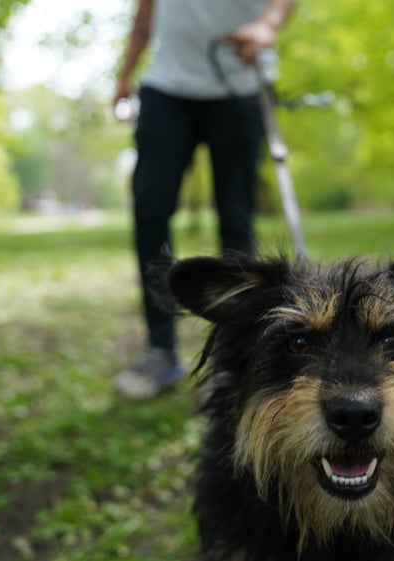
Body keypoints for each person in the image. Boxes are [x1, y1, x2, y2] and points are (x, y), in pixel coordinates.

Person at [112, 0, 298, 400]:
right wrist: (124, 75)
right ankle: (160, 349)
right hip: (167, 85)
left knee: (236, 220)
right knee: (149, 209)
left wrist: (267, 25)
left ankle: (236, 356)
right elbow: (145, 15)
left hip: (240, 83)